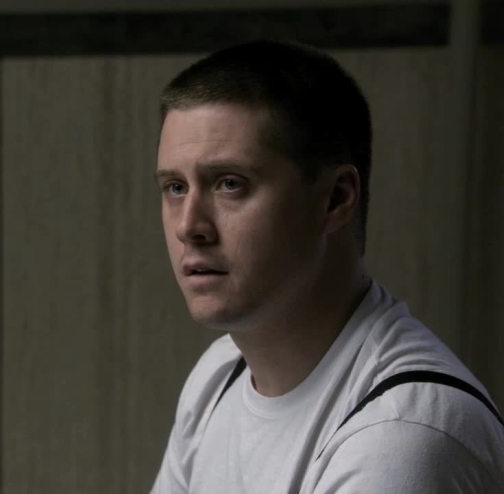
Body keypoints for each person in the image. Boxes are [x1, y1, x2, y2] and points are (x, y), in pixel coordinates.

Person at [150, 40, 504, 493]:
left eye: (230, 184)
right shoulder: (219, 375)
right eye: (176, 187)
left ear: (335, 199)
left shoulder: (400, 436)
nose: (189, 226)